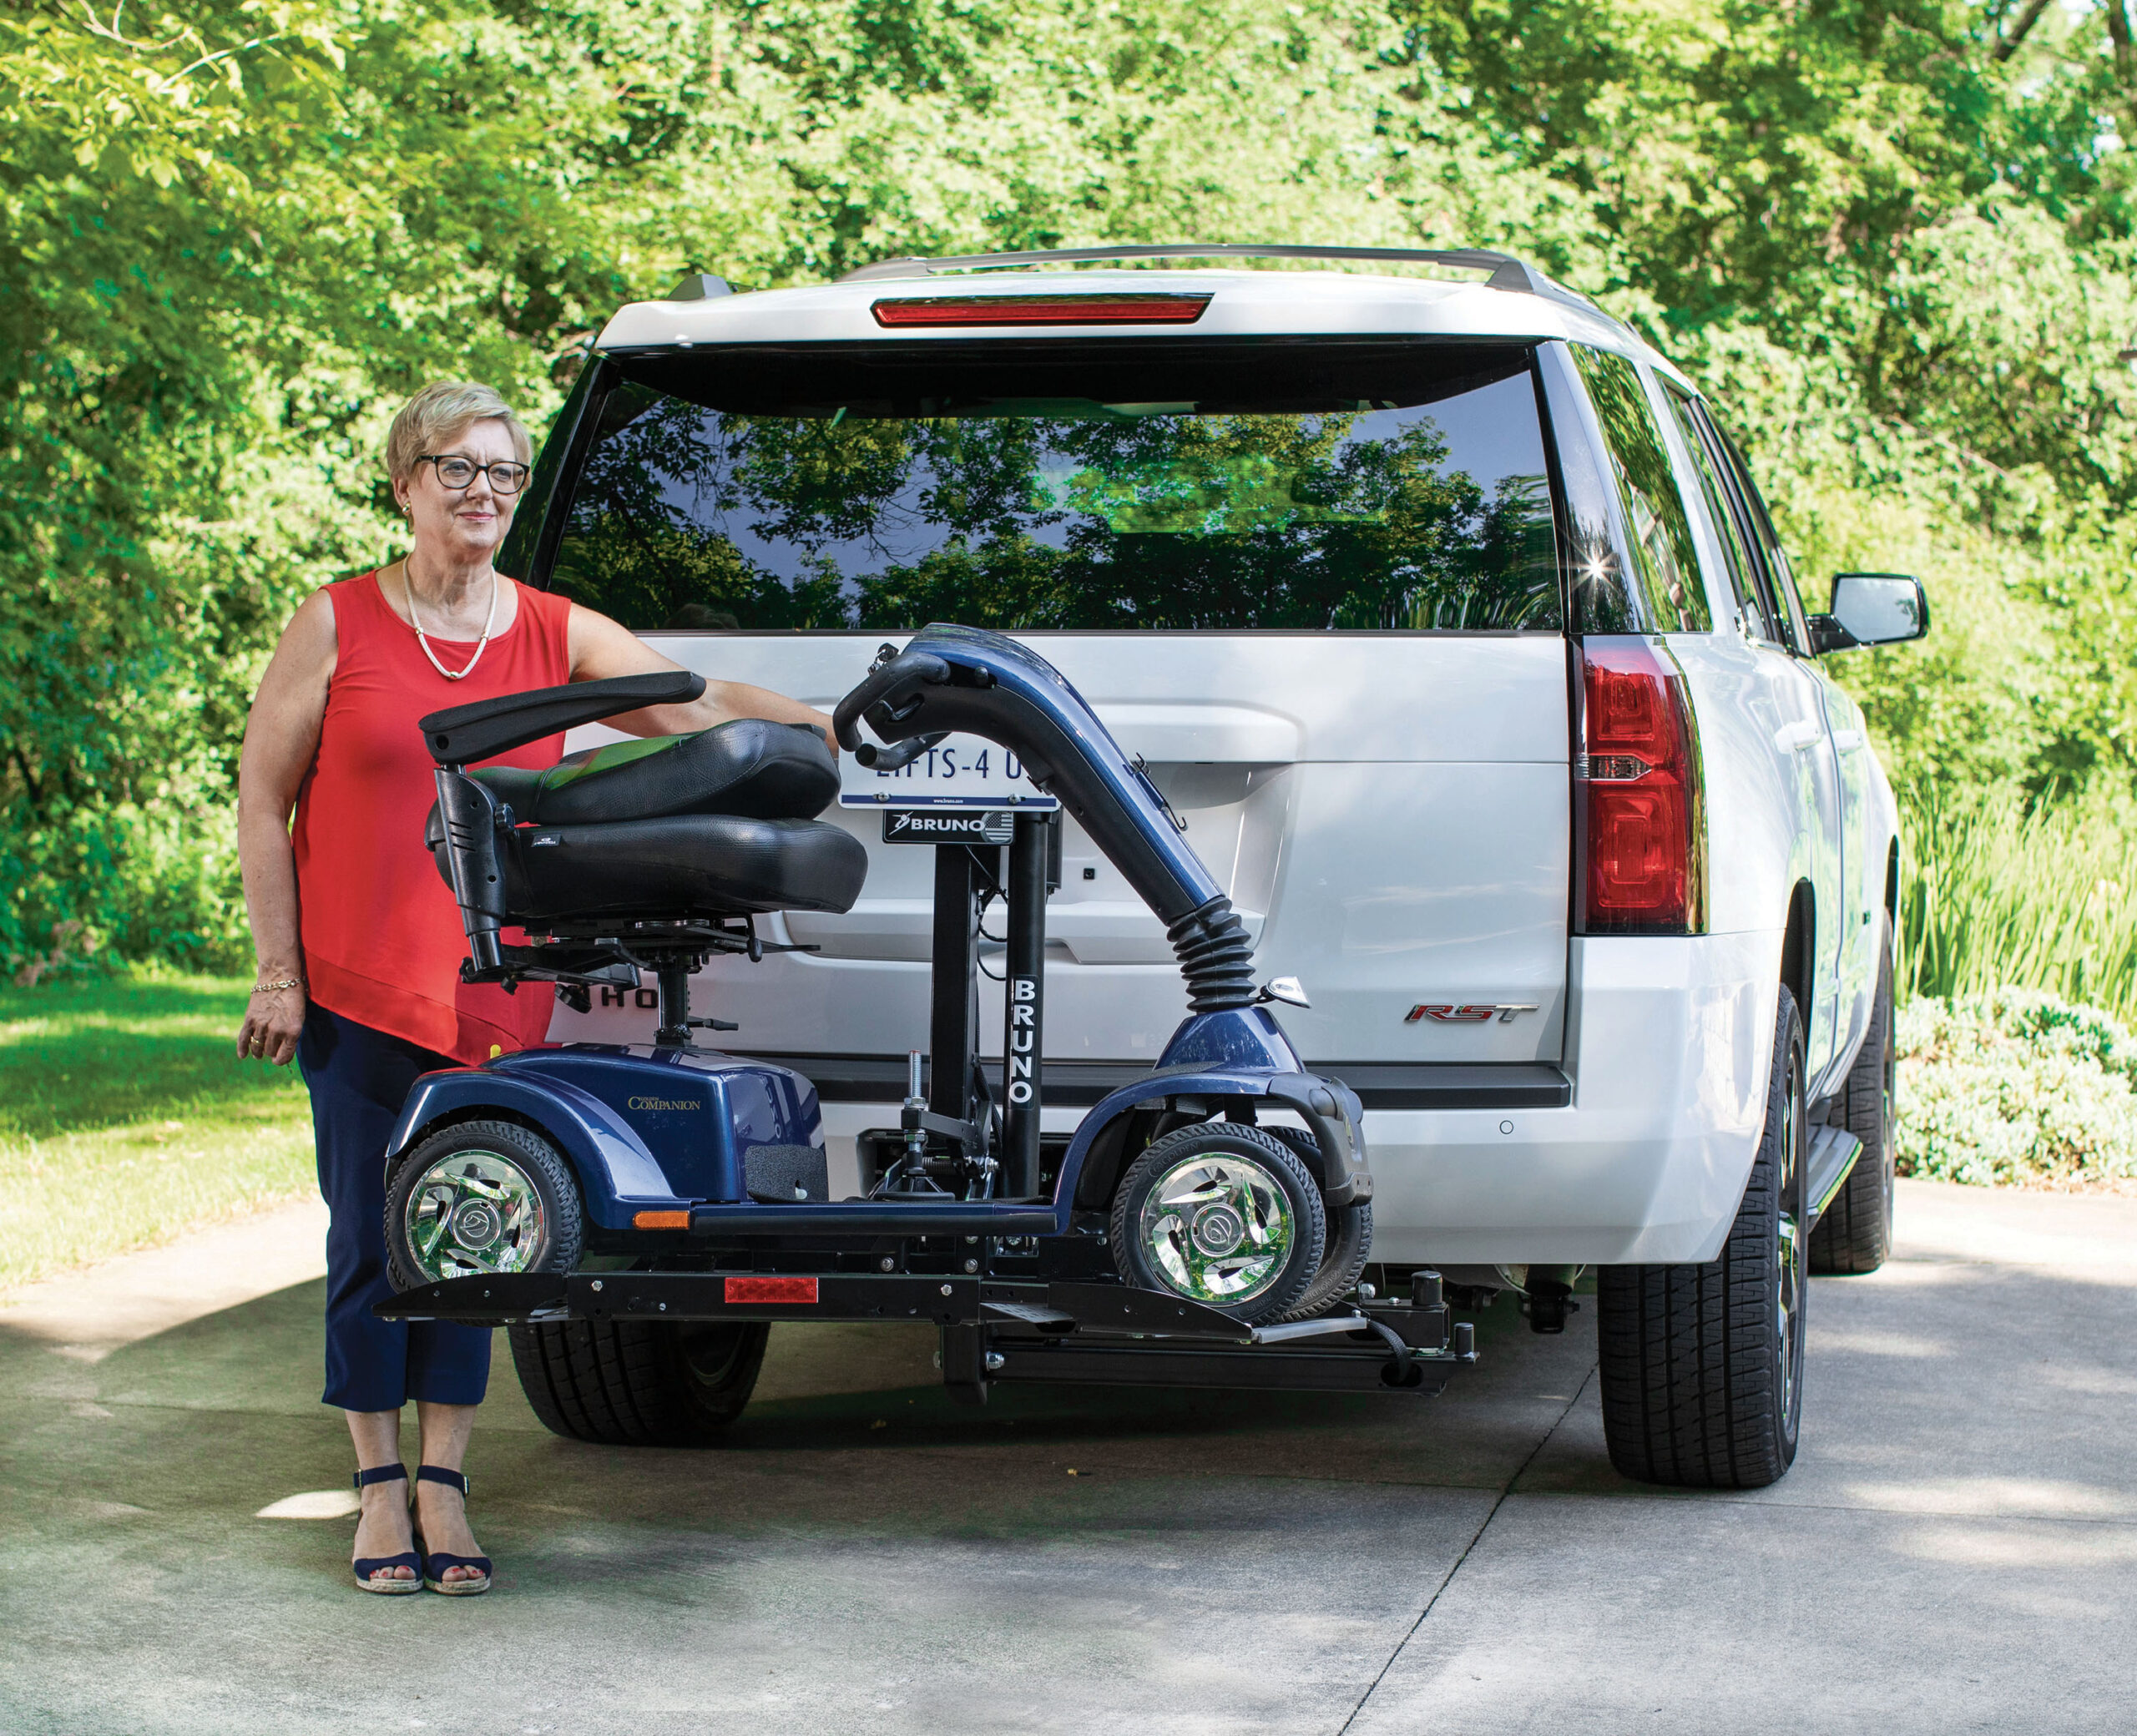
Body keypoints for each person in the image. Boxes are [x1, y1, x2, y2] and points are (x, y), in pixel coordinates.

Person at [234, 381, 833, 1593]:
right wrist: (280, 972)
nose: (484, 494)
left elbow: (689, 702)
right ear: (404, 481)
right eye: (458, 469)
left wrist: (818, 721)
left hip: (493, 995)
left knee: (478, 1235)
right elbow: (262, 799)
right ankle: (373, 1488)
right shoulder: (339, 622)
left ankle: (444, 1487)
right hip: (356, 989)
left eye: (504, 475)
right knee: (366, 1236)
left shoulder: (553, 629)